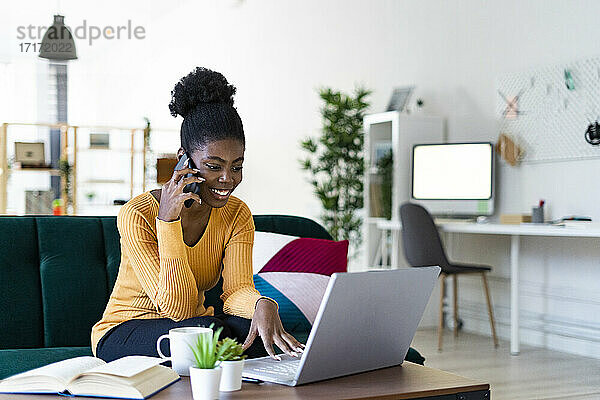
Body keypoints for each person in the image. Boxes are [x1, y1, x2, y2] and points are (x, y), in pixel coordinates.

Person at [91, 67, 304, 362]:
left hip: (195, 325)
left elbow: (236, 291)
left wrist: (262, 304)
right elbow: (177, 309)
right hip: (124, 330)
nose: (228, 179)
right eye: (214, 166)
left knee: (254, 333)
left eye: (237, 166)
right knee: (209, 332)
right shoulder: (136, 214)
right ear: (185, 158)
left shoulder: (237, 215)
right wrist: (168, 222)